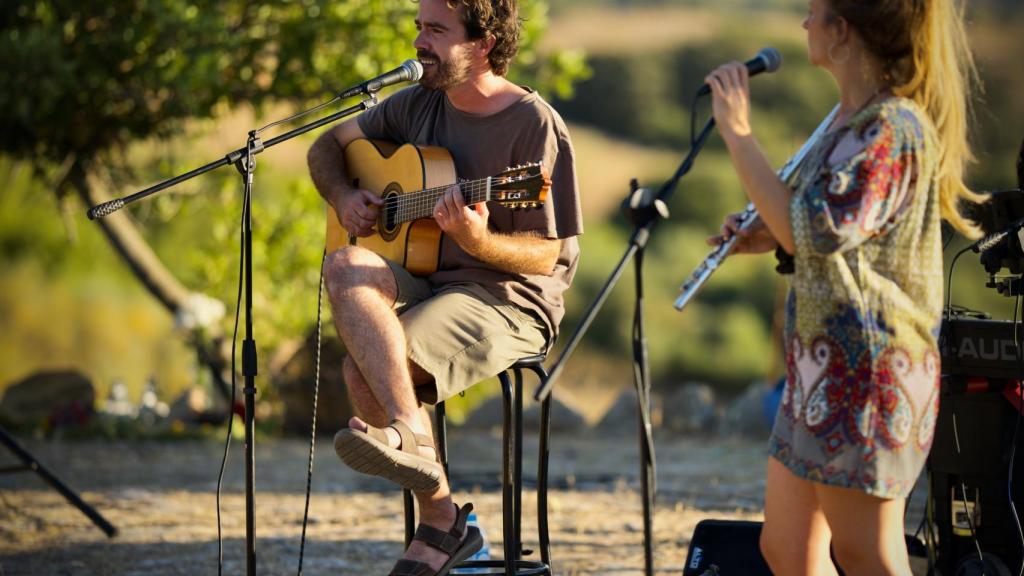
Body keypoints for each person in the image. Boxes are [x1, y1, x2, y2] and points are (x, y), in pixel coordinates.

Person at [704, 0, 982, 574]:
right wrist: (766, 237)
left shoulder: (893, 129)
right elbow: (816, 228)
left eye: (814, 12)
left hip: (868, 376)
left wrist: (737, 132)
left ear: (843, 31)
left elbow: (813, 231)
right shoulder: (844, 121)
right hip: (817, 377)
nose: (804, 24)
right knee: (787, 550)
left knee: (866, 554)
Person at [306, 0, 582, 573]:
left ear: (483, 44)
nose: (418, 42)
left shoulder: (533, 124)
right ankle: (430, 480)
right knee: (343, 265)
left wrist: (478, 242)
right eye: (418, 28)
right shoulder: (419, 101)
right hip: (430, 278)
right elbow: (326, 145)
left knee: (364, 370)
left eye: (435, 30)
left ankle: (440, 522)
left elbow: (546, 253)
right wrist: (343, 197)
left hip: (506, 297)